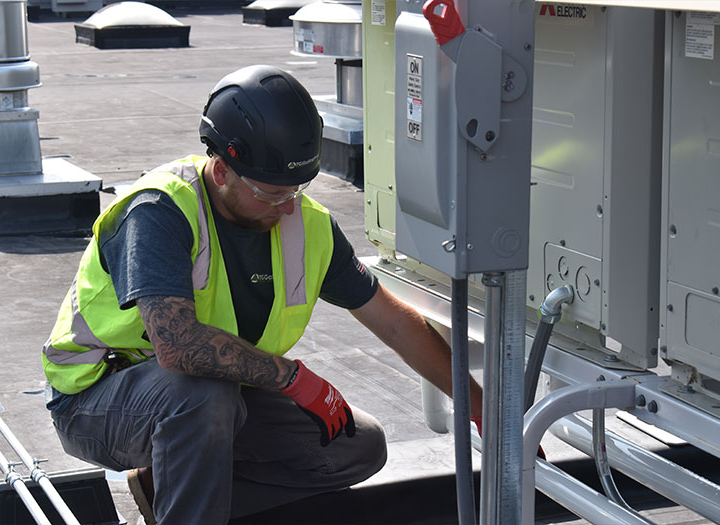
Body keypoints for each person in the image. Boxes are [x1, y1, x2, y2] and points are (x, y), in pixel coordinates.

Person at [42, 65, 483, 524]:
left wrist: (479, 406)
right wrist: (295, 378)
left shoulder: (307, 225)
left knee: (356, 446)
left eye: (297, 188)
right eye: (271, 192)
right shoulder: (160, 210)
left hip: (213, 398)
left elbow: (392, 320)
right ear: (220, 170)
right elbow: (178, 347)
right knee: (201, 398)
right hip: (94, 401)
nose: (288, 205)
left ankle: (167, 489)